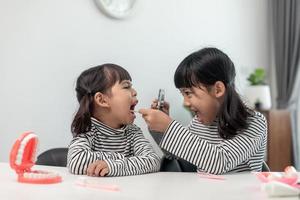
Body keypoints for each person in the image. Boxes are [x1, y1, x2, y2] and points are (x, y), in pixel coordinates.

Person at [139, 47, 267, 174]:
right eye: (182, 94)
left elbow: (220, 162)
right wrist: (159, 130)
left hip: (241, 194)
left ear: (218, 89)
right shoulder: (198, 123)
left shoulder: (254, 122)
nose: (185, 102)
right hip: (206, 192)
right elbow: (176, 154)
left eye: (188, 93)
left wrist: (169, 127)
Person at [68, 63, 160, 176]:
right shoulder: (88, 131)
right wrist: (122, 158)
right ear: (102, 100)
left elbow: (153, 160)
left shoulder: (132, 132)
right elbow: (76, 161)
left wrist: (113, 166)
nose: (135, 92)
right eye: (126, 86)